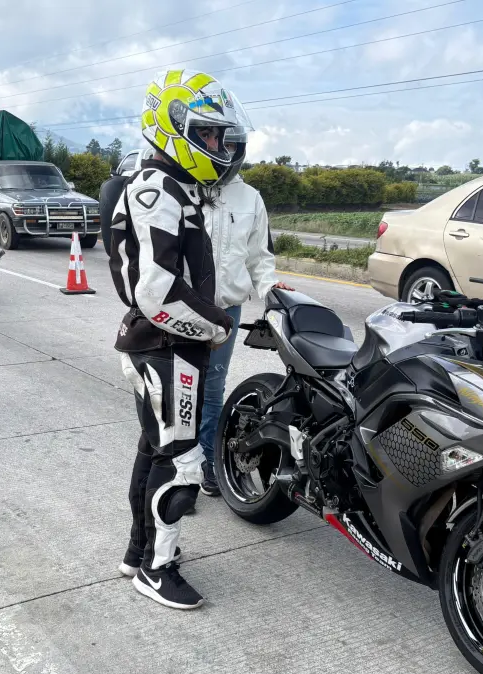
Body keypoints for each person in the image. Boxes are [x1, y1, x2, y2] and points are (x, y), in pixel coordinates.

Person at [109, 70, 240, 610]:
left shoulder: (166, 185)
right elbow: (157, 293)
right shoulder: (156, 189)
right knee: (183, 460)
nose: (216, 146)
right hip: (164, 345)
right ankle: (157, 570)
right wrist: (216, 325)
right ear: (172, 127)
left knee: (154, 449)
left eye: (217, 136)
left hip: (159, 345)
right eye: (207, 135)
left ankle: (138, 552)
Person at [198, 123, 292, 497]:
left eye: (227, 142)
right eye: (210, 139)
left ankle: (208, 463)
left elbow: (258, 257)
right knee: (179, 390)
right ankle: (175, 465)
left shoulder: (250, 197)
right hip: (182, 310)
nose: (219, 147)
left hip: (226, 312)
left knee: (212, 390)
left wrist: (270, 288)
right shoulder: (186, 190)